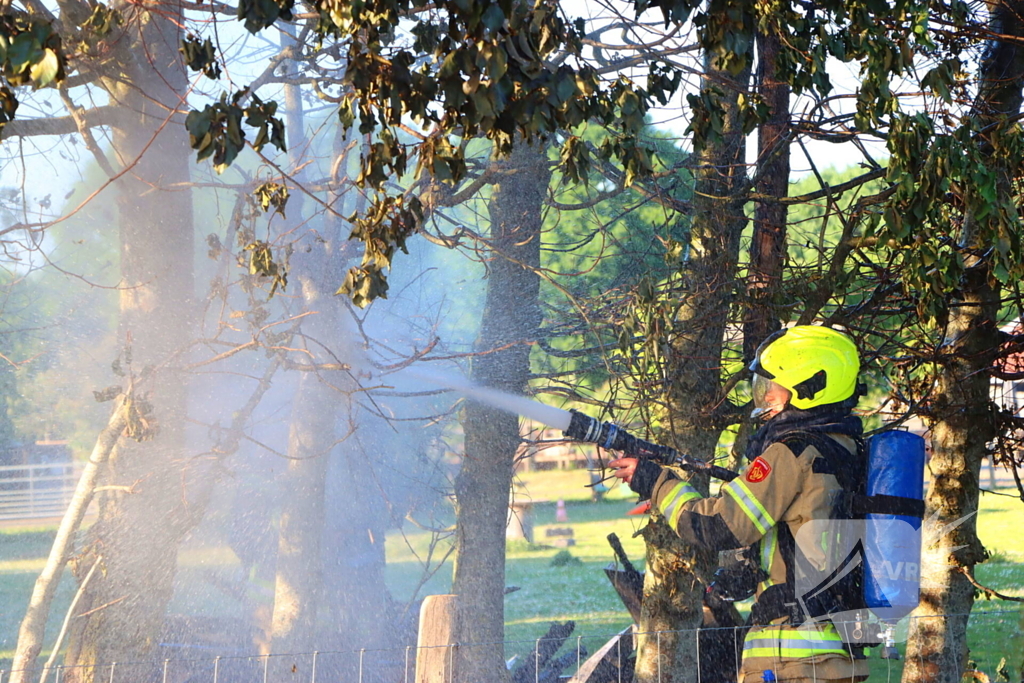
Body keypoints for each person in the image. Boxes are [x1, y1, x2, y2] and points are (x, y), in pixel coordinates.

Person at [610, 325, 869, 683]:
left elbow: (720, 525)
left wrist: (654, 483)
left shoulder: (792, 451)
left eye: (773, 389)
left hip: (793, 659)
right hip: (833, 653)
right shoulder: (845, 448)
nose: (764, 400)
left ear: (810, 389)